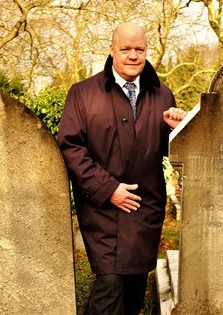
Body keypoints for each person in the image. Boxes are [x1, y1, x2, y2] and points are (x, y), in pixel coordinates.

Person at [57, 22, 186, 315]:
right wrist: (108, 189)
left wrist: (179, 131)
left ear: (146, 51)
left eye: (139, 49)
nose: (132, 55)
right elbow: (71, 147)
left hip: (144, 210)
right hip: (102, 211)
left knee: (133, 290)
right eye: (125, 48)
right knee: (110, 283)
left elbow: (168, 151)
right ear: (111, 49)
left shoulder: (163, 95)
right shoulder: (82, 93)